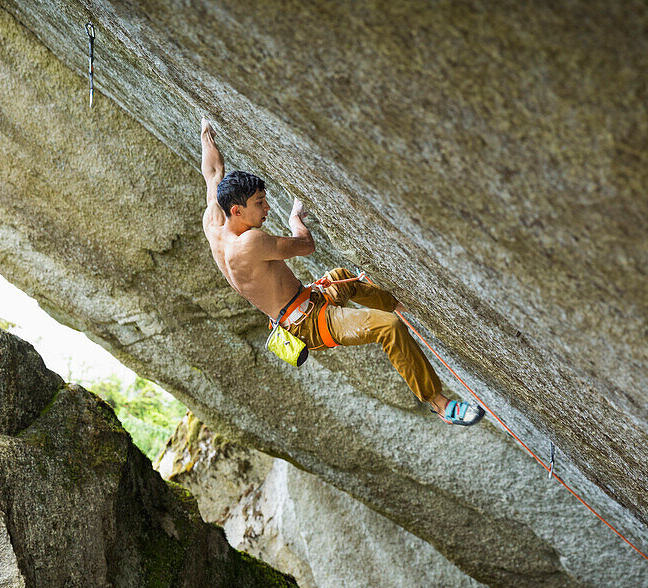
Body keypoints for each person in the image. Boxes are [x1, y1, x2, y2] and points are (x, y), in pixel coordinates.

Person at [199, 118, 484, 426]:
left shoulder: (214, 222)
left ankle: (403, 306)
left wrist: (206, 131)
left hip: (308, 300)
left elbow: (213, 172)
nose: (267, 207)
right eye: (260, 203)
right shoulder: (250, 243)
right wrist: (296, 217)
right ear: (237, 211)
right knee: (388, 328)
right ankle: (440, 404)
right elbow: (306, 244)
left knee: (341, 276)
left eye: (265, 200)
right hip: (309, 324)